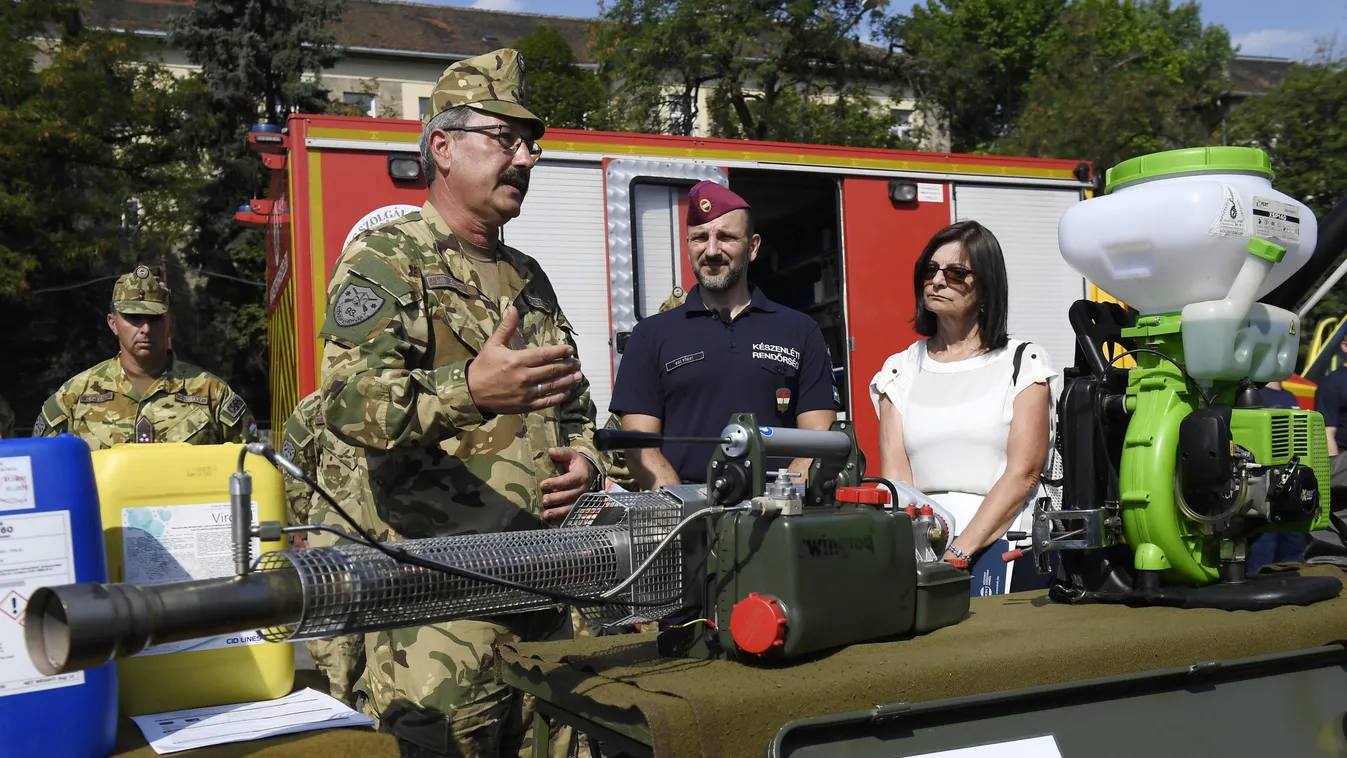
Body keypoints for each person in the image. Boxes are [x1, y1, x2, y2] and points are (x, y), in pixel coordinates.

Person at [316, 48, 598, 757]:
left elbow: (576, 403)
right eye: (504, 138)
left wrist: (586, 461)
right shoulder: (388, 258)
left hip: (547, 594)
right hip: (440, 610)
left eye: (530, 144)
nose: (525, 158)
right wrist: (469, 390)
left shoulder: (529, 278)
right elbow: (347, 405)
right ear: (441, 147)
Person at [608, 182, 838, 489]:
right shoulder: (650, 336)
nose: (712, 251)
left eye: (726, 237)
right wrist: (685, 507)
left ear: (753, 247)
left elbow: (819, 438)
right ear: (688, 245)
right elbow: (639, 446)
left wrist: (781, 500)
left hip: (780, 506)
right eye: (700, 238)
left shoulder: (800, 330)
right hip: (685, 507)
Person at [868, 220, 1056, 595]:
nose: (937, 281)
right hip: (924, 553)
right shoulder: (899, 369)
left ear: (985, 286)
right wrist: (923, 557)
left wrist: (958, 554)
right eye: (930, 270)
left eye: (955, 273)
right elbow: (898, 484)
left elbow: (1023, 475)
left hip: (1006, 551)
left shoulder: (1024, 362)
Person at [33, 266, 256, 448]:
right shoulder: (74, 397)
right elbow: (40, 468)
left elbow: (253, 466)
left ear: (171, 324)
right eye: (134, 318)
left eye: (155, 318)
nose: (145, 329)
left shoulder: (212, 394)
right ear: (113, 323)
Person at [277, 390, 365, 707]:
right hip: (336, 561)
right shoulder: (315, 408)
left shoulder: (415, 396)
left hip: (392, 553)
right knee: (338, 673)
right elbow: (294, 481)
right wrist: (317, 529)